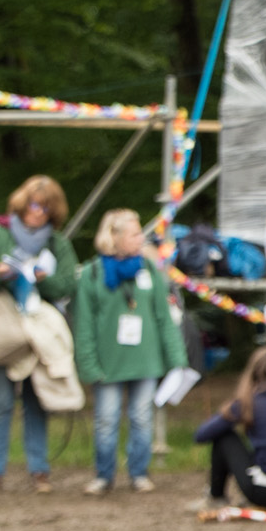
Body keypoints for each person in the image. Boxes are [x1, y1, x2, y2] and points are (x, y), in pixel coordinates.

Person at [0, 176, 78, 496]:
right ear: (21, 204)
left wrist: (43, 279)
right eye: (33, 205)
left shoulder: (57, 244)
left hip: (40, 333)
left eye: (45, 208)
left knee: (37, 401)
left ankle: (39, 471)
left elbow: (67, 285)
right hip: (4, 331)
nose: (38, 212)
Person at [72, 208, 177, 493]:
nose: (141, 238)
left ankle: (139, 473)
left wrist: (177, 359)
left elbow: (164, 318)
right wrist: (88, 364)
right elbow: (84, 325)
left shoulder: (149, 271)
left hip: (145, 360)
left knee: (142, 418)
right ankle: (104, 475)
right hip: (108, 363)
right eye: (134, 234)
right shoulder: (92, 273)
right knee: (106, 419)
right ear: (113, 237)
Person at [197, 345, 266, 511]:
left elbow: (201, 435)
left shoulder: (250, 402)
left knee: (225, 438)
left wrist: (225, 412)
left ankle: (216, 497)